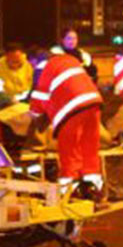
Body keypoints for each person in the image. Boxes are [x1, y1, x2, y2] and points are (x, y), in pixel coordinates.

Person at [28, 44, 105, 202]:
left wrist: (34, 116)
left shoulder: (44, 66)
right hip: (93, 103)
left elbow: (40, 97)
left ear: (35, 60)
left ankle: (69, 190)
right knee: (89, 147)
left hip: (71, 110)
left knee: (70, 150)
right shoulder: (70, 59)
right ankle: (93, 187)